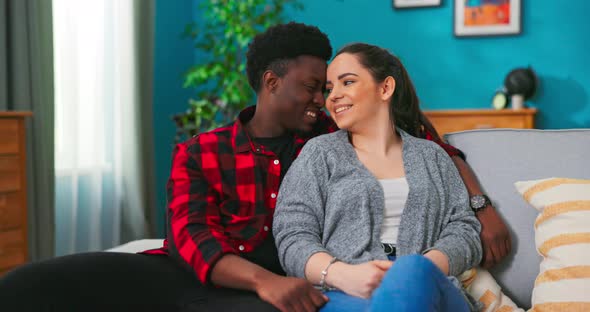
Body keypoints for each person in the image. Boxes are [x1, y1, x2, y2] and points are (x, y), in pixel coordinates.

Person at [0, 22, 507, 311]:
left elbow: (425, 141)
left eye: (333, 86)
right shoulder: (202, 151)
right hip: (215, 275)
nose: (324, 98)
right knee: (33, 285)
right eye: (315, 86)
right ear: (271, 82)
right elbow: (191, 238)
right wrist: (265, 281)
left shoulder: (335, 140)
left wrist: (481, 208)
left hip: (293, 287)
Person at [273, 43, 483, 311]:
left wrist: (420, 270)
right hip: (344, 291)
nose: (333, 96)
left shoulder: (432, 156)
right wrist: (343, 275)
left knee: (411, 270)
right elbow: (292, 234)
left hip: (431, 288)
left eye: (346, 82)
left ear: (385, 88)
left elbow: (464, 228)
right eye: (329, 89)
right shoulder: (319, 154)